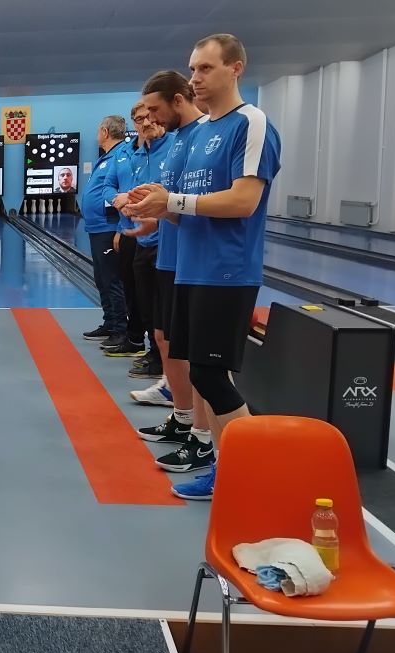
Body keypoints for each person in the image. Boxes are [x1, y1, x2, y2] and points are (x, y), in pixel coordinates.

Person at [126, 34, 281, 500]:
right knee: (202, 375)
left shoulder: (250, 123)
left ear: (236, 68)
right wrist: (157, 208)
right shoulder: (199, 135)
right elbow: (187, 209)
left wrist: (172, 201)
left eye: (206, 68)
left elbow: (243, 201)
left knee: (212, 376)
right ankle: (221, 465)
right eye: (193, 68)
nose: (195, 77)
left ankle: (247, 476)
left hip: (226, 271)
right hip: (192, 269)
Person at [128, 70, 214, 480]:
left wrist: (166, 206)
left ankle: (202, 436)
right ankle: (182, 419)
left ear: (178, 100)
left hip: (196, 264)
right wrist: (152, 215)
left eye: (153, 110)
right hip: (169, 255)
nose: (150, 119)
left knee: (197, 356)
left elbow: (217, 201)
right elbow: (173, 201)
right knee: (166, 340)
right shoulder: (180, 141)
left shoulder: (209, 136)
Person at [114, 102, 169, 376]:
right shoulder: (137, 155)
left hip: (165, 241)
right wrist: (125, 206)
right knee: (145, 304)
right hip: (143, 241)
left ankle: (163, 361)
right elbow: (132, 193)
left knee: (162, 309)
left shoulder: (173, 147)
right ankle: (154, 353)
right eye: (138, 119)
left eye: (149, 116)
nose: (145, 123)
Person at [79, 115, 130, 347]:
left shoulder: (121, 155)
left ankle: (120, 330)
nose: (97, 134)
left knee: (112, 280)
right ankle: (109, 323)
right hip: (97, 227)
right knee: (102, 279)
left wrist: (120, 228)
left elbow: (123, 193)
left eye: (99, 130)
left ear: (105, 132)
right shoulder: (107, 157)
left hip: (109, 227)